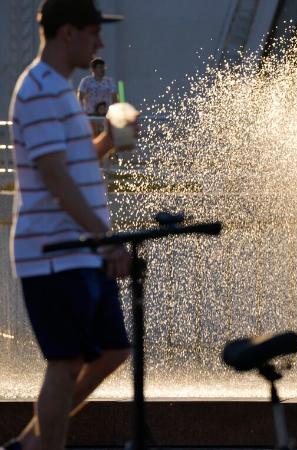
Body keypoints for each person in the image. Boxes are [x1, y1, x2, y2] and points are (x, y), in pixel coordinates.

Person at [2, 1, 135, 450]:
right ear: (67, 34)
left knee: (113, 350)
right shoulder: (38, 89)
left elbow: (71, 162)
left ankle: (32, 441)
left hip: (77, 248)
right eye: (94, 32)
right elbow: (55, 176)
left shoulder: (59, 92)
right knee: (65, 361)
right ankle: (43, 444)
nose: (100, 43)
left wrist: (108, 141)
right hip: (53, 252)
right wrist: (106, 240)